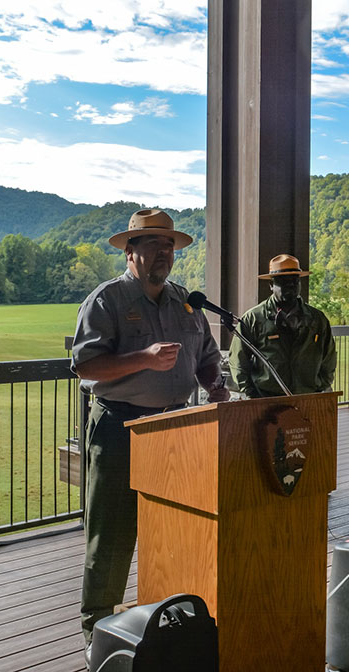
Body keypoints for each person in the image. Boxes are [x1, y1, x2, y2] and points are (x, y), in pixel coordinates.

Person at [70, 208, 230, 645]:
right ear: (130, 252)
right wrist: (143, 357)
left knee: (177, 530)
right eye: (154, 244)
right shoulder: (107, 301)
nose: (165, 252)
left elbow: (206, 358)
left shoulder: (186, 302)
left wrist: (215, 384)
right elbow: (85, 364)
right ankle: (96, 635)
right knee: (113, 537)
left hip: (178, 430)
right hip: (121, 428)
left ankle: (169, 623)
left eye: (170, 245)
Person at [228, 254, 337, 398]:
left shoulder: (317, 319)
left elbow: (329, 358)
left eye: (294, 281)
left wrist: (320, 385)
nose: (290, 286)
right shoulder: (254, 318)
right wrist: (251, 393)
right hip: (266, 398)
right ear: (271, 285)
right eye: (283, 282)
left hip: (308, 397)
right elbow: (238, 361)